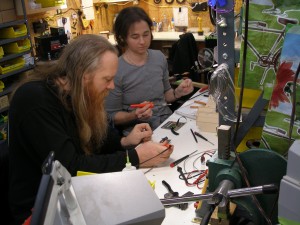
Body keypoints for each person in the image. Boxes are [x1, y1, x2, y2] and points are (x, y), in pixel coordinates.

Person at [8, 34, 173, 225]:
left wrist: (124, 142)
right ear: (83, 75)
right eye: (107, 79)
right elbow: (70, 168)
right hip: (41, 213)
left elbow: (97, 137)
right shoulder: (35, 101)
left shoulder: (77, 92)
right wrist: (134, 157)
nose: (111, 86)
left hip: (73, 197)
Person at [105, 7, 194, 135]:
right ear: (122, 38)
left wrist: (177, 93)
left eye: (146, 35)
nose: (142, 41)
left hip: (166, 121)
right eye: (135, 37)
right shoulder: (116, 69)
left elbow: (165, 95)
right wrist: (134, 115)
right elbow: (112, 116)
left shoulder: (159, 57)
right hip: (138, 130)